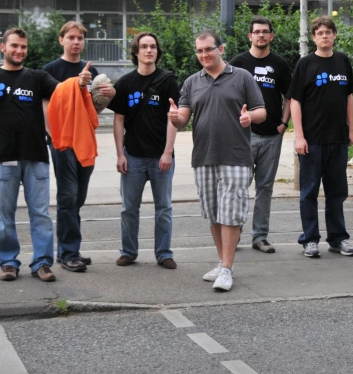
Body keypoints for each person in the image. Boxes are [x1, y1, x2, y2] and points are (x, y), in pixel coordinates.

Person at [0, 28, 92, 282]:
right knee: (5, 214)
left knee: (41, 214)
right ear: (3, 48)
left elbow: (62, 91)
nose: (19, 51)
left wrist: (79, 83)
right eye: (14, 46)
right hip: (3, 157)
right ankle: (8, 263)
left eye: (23, 47)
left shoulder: (37, 77)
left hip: (36, 155)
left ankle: (42, 264)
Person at [169, 30, 266, 292]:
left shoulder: (242, 77)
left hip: (235, 156)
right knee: (213, 213)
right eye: (199, 51)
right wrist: (174, 116)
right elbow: (183, 119)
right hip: (203, 157)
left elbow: (262, 111)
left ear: (220, 49)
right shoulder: (191, 82)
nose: (203, 55)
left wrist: (250, 118)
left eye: (208, 50)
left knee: (231, 213)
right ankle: (223, 263)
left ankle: (226, 269)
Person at [43, 21, 116, 273]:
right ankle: (68, 253)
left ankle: (68, 249)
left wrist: (107, 96)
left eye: (80, 38)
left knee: (78, 197)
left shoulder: (91, 70)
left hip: (85, 141)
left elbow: (93, 110)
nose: (76, 42)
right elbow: (46, 106)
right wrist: (55, 139)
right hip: (64, 143)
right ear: (61, 40)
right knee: (67, 197)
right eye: (71, 37)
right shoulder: (51, 69)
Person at [110, 32, 179, 269]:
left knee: (164, 208)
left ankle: (164, 253)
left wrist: (168, 152)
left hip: (161, 155)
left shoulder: (168, 80)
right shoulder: (125, 83)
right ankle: (128, 251)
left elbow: (174, 118)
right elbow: (118, 120)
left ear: (157, 52)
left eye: (153, 47)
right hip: (133, 157)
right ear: (136, 52)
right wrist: (120, 154)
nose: (149, 50)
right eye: (144, 47)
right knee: (129, 208)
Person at [289, 16, 353, 259]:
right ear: (314, 37)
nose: (325, 36)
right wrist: (299, 136)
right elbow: (295, 101)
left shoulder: (343, 61)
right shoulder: (305, 64)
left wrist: (351, 129)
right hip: (312, 140)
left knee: (337, 192)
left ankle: (338, 238)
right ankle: (309, 239)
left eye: (329, 32)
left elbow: (349, 96)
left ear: (335, 35)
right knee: (309, 192)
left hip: (337, 139)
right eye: (320, 33)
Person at [229, 16, 292, 254]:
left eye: (265, 31)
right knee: (238, 187)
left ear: (271, 36)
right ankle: (233, 235)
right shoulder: (237, 63)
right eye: (257, 32)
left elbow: (290, 96)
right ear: (250, 36)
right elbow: (228, 95)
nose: (261, 35)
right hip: (244, 136)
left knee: (265, 187)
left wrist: (284, 123)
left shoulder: (280, 64)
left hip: (271, 136)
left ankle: (260, 237)